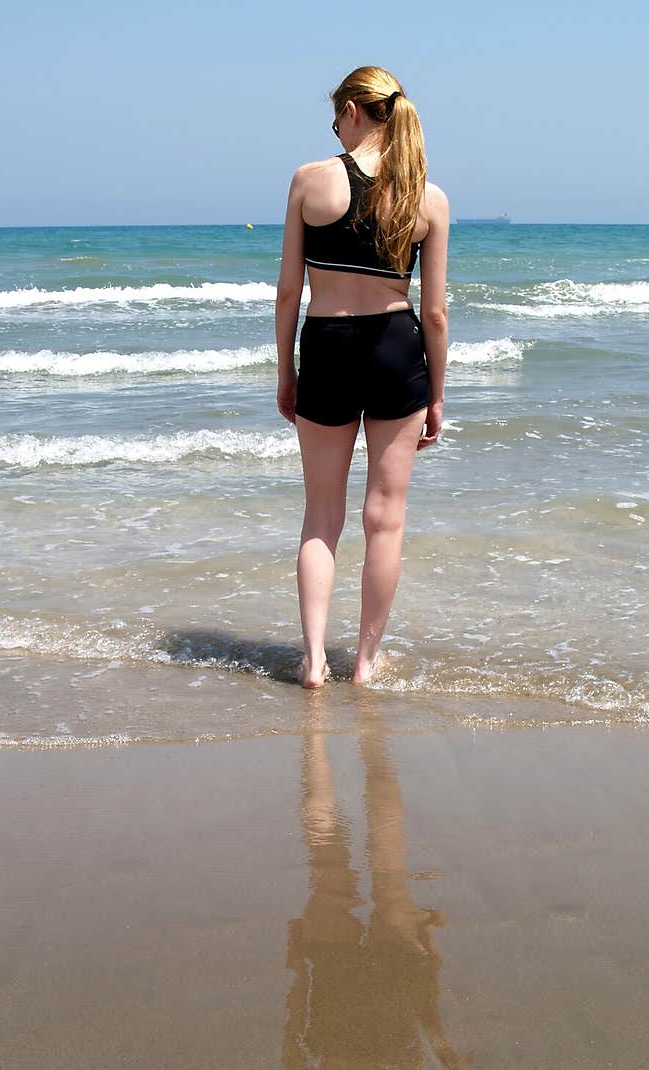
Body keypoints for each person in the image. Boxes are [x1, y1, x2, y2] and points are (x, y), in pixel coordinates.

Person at [275, 65, 450, 689]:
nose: (334, 128)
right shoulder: (426, 196)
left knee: (322, 516)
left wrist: (285, 372)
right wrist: (436, 394)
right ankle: (366, 663)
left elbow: (289, 292)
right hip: (396, 352)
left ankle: (315, 660)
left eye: (335, 117)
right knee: (386, 518)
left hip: (326, 346)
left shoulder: (308, 182)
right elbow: (434, 311)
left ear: (352, 110)